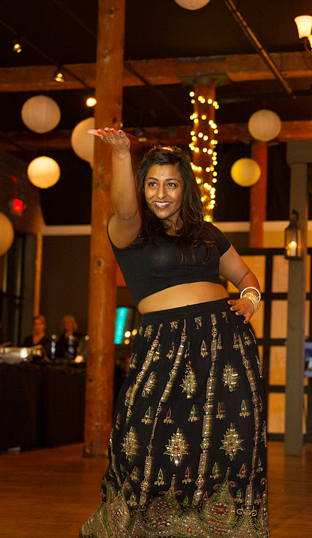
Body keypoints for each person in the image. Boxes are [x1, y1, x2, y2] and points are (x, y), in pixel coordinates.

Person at [79, 129, 268, 538]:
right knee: (148, 441)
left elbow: (247, 277)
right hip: (163, 347)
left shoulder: (209, 234)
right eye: (152, 183)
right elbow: (126, 209)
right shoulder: (129, 232)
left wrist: (251, 299)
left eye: (171, 184)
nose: (160, 193)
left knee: (225, 443)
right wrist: (123, 154)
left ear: (185, 189)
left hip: (224, 345)